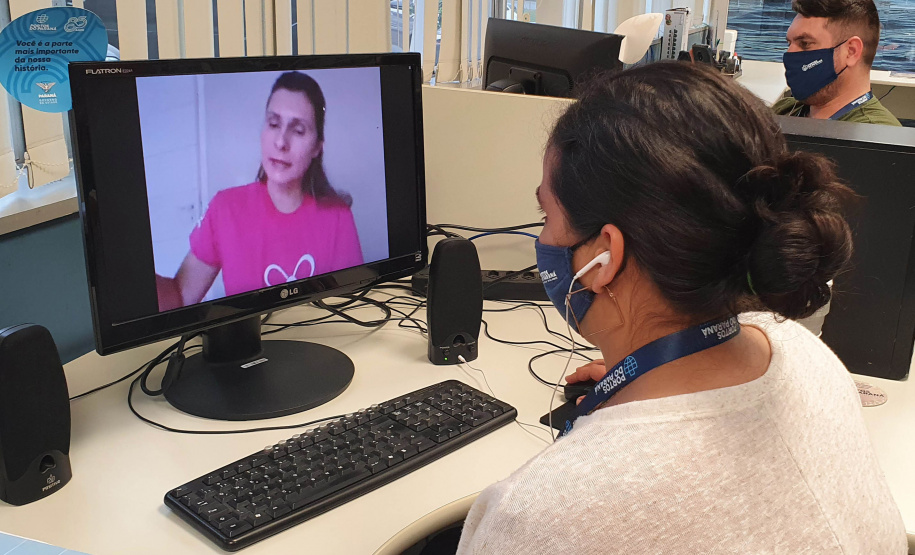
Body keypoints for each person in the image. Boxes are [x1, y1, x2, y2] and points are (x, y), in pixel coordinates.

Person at [456, 63, 906, 553]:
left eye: (548, 215)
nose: (543, 238)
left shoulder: (540, 519)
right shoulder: (802, 351)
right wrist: (634, 378)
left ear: (604, 257)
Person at [156, 72, 364, 311]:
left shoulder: (337, 216)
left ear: (317, 146)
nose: (280, 142)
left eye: (298, 130)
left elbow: (353, 306)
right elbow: (181, 296)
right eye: (273, 124)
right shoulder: (225, 208)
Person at [772, 0, 901, 126]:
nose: (790, 54)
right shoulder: (784, 109)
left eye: (805, 44)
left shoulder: (877, 134)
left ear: (851, 51)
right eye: (789, 43)